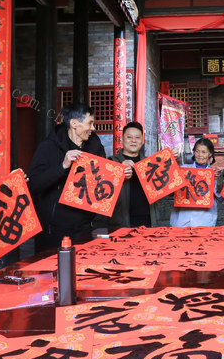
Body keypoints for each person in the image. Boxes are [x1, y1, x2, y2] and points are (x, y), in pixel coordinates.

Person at [27, 101, 107, 250]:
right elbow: (33, 184)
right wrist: (62, 167)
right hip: (54, 229)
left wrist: (121, 174)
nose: (93, 128)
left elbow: (103, 182)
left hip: (84, 226)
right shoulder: (49, 146)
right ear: (74, 123)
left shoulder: (96, 147)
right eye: (90, 123)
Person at [103, 121, 160, 231]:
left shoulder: (149, 164)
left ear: (142, 141)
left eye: (137, 137)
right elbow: (103, 193)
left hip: (148, 222)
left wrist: (172, 160)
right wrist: (118, 172)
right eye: (129, 137)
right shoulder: (111, 163)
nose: (133, 140)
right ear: (122, 140)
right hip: (121, 225)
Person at [170, 137, 219, 227]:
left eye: (204, 152)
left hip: (205, 221)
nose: (200, 155)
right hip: (182, 220)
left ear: (210, 154)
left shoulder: (213, 173)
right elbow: (171, 190)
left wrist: (215, 181)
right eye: (197, 151)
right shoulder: (183, 169)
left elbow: (219, 197)